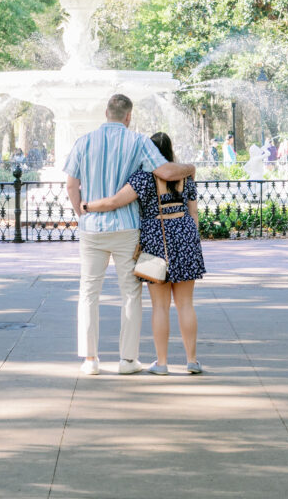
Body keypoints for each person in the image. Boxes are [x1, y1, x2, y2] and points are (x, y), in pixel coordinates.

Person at [65, 94, 195, 377]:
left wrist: (82, 213)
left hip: (92, 230)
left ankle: (90, 359)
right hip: (126, 228)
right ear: (128, 116)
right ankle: (127, 360)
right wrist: (190, 168)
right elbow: (165, 170)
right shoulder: (138, 142)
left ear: (106, 112)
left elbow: (72, 185)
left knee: (89, 292)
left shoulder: (83, 142)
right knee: (130, 294)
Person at [84, 131, 205, 375]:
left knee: (160, 306)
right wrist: (192, 239)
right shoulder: (185, 177)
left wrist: (87, 206)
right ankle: (192, 360)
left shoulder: (143, 178)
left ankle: (161, 363)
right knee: (185, 304)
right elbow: (194, 213)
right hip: (185, 236)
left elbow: (115, 202)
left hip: (155, 240)